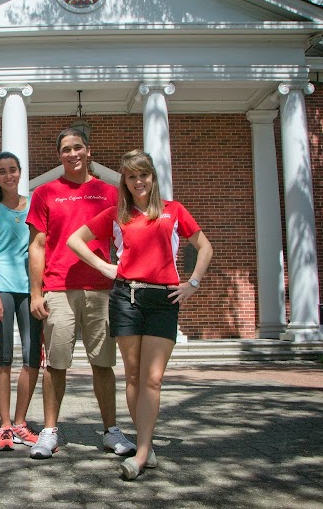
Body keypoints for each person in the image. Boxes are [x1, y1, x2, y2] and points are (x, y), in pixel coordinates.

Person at [67, 149, 212, 480]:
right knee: (133, 377)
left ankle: (142, 452)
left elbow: (204, 247)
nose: (138, 181)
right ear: (125, 181)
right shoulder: (118, 214)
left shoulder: (173, 211)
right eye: (131, 176)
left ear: (153, 177)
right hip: (126, 297)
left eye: (143, 174)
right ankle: (146, 446)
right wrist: (105, 266)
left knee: (153, 378)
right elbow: (76, 240)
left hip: (163, 300)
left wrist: (193, 282)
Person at [26, 127, 135, 459]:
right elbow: (37, 246)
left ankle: (111, 431)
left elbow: (127, 239)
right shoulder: (44, 193)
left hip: (101, 290)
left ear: (89, 151)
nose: (72, 154)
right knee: (55, 365)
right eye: (65, 150)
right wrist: (35, 292)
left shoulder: (111, 192)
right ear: (59, 155)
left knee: (102, 363)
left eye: (77, 148)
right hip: (58, 288)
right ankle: (48, 432)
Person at [0, 152, 41, 451]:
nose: (8, 175)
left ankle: (20, 422)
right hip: (0, 285)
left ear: (20, 172)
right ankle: (4, 425)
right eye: (2, 171)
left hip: (29, 288)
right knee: (4, 357)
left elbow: (39, 248)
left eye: (12, 170)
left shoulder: (32, 206)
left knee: (32, 357)